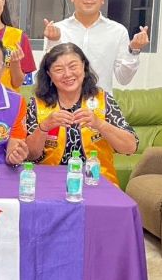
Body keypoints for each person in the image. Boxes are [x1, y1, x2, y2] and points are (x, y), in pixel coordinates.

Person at [26, 43, 138, 186]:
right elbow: (30, 155)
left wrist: (99, 124)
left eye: (73, 67)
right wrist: (44, 127)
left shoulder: (103, 100)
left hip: (97, 182)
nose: (67, 74)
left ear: (84, 67)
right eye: (59, 69)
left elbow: (130, 147)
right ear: (49, 75)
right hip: (49, 182)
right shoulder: (37, 104)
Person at [42, 0, 149, 92]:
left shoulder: (118, 31)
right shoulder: (57, 30)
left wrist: (134, 50)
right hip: (63, 101)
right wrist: (54, 41)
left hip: (100, 102)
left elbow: (124, 79)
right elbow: (48, 74)